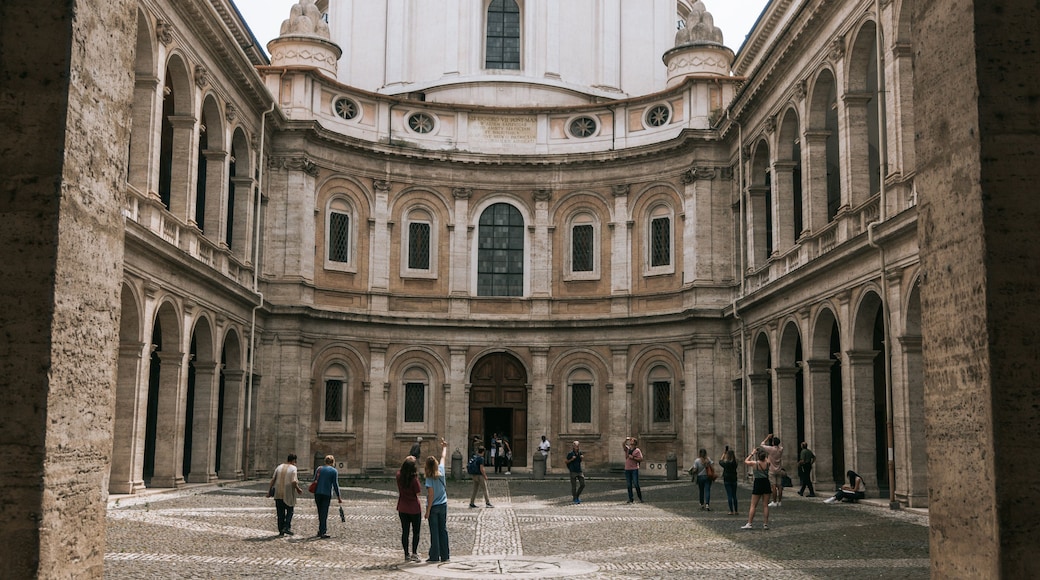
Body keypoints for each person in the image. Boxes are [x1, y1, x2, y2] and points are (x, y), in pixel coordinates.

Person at [424, 438, 450, 562]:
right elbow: (443, 457)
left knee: (434, 532)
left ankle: (434, 556)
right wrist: (444, 447)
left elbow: (431, 495)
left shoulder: (429, 478)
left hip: (434, 506)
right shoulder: (442, 470)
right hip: (443, 504)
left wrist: (427, 510)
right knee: (443, 530)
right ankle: (445, 555)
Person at [269, 453, 304, 536]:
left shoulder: (279, 467)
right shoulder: (293, 468)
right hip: (288, 493)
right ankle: (286, 527)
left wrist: (269, 491)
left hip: (278, 493)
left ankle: (281, 530)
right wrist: (298, 489)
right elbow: (294, 481)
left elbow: (273, 480)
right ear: (294, 460)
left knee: (280, 513)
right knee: (290, 510)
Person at [396, 456, 422, 562]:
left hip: (402, 507)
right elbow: (418, 492)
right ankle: (414, 553)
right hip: (414, 508)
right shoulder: (414, 480)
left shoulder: (399, 476)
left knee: (405, 532)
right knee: (416, 532)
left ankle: (406, 554)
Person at [312, 454, 342, 539]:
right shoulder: (334, 471)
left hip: (317, 493)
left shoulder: (319, 469)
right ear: (333, 462)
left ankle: (320, 530)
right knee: (324, 512)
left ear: (325, 461)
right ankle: (322, 531)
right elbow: (335, 485)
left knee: (320, 512)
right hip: (326, 494)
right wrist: (339, 497)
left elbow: (314, 480)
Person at [742, 449, 771, 530]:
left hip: (758, 483)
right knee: (765, 505)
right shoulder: (768, 463)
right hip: (766, 482)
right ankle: (765, 524)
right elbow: (768, 460)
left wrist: (752, 453)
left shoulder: (755, 464)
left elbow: (746, 461)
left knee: (753, 505)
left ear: (758, 456)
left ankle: (750, 523)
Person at [760, 434, 785, 507]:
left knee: (773, 486)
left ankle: (774, 501)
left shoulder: (771, 449)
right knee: (779, 486)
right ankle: (779, 501)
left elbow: (762, 444)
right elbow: (779, 447)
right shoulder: (781, 449)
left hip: (772, 469)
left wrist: (767, 438)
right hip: (779, 469)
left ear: (773, 443)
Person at [718, 447, 739, 515]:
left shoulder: (726, 463)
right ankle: (736, 510)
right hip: (734, 479)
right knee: (734, 495)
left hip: (727, 480)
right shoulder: (735, 463)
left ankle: (731, 511)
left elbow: (720, 461)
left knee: (729, 495)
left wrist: (724, 454)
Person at [623, 436, 643, 503]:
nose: (630, 442)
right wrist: (626, 440)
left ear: (635, 443)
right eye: (630, 441)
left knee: (636, 484)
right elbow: (623, 445)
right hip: (627, 468)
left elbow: (641, 459)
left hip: (634, 468)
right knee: (629, 485)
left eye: (632, 441)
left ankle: (640, 497)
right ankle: (630, 499)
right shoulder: (627, 449)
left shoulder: (637, 450)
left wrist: (633, 457)